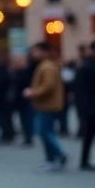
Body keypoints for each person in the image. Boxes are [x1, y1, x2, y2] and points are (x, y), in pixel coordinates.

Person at [24, 42, 67, 172]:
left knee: (44, 131)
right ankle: (51, 159)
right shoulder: (47, 65)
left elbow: (48, 86)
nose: (34, 54)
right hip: (47, 104)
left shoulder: (47, 67)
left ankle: (58, 154)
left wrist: (33, 92)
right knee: (46, 131)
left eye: (37, 51)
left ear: (44, 52)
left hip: (46, 104)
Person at [78, 41, 95, 169]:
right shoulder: (87, 67)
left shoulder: (94, 65)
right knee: (89, 137)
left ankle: (86, 161)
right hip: (92, 108)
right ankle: (84, 161)